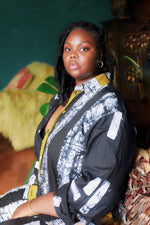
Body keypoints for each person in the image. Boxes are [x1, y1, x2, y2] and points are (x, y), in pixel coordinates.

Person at [0, 21, 136, 225]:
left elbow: (96, 190)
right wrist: (29, 201)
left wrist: (31, 207)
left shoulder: (108, 109)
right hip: (39, 197)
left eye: (83, 48)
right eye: (67, 48)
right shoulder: (63, 98)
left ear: (99, 55)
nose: (73, 54)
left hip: (71, 217)